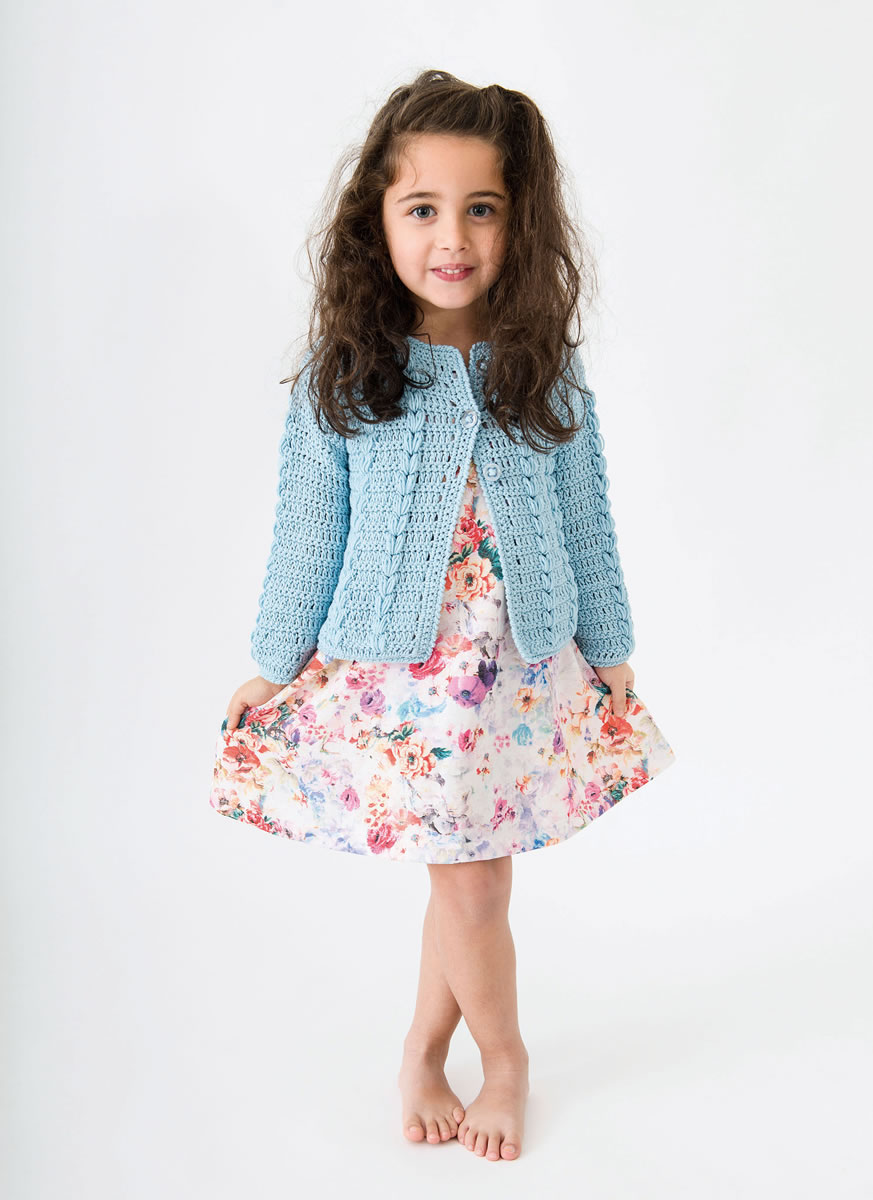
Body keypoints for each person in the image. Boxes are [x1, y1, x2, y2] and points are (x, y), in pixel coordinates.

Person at [208, 68, 676, 1162]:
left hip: (519, 668)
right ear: (376, 221)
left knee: (472, 872)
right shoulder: (347, 376)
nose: (452, 237)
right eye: (422, 208)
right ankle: (503, 1060)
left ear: (521, 223)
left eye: (482, 209)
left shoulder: (543, 373)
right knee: (467, 876)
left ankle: (424, 1049)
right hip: (404, 680)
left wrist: (611, 651)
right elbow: (307, 531)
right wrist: (273, 661)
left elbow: (586, 519)